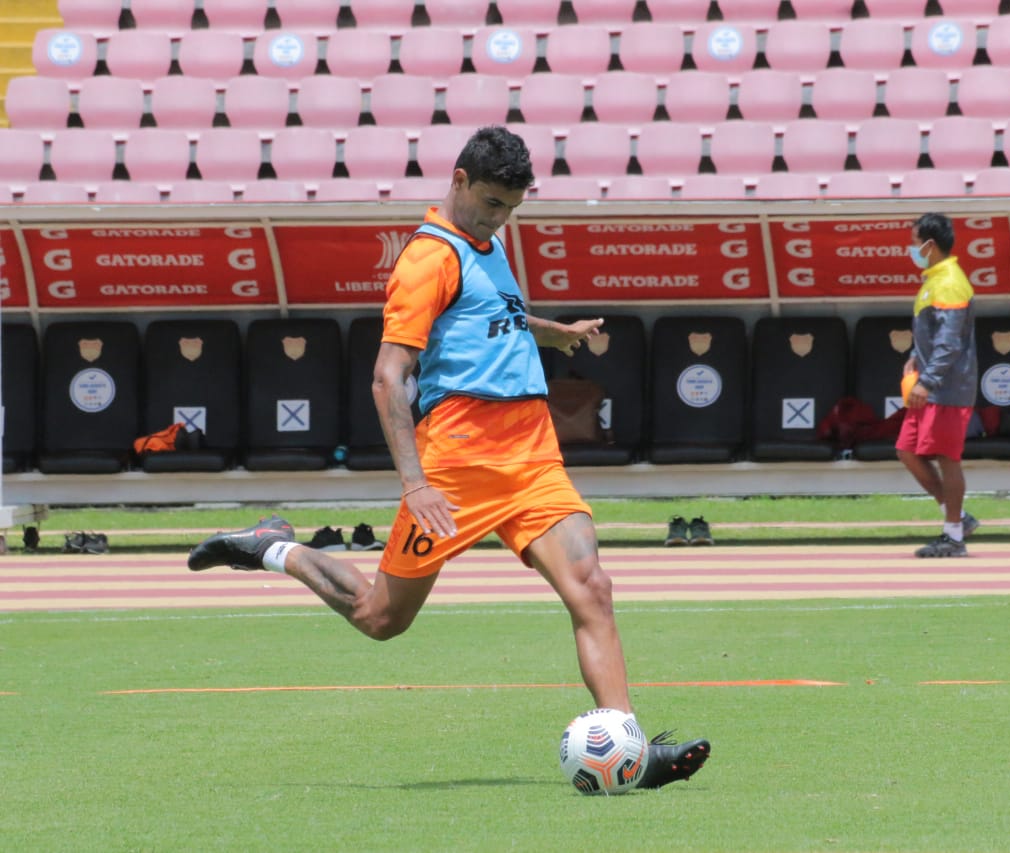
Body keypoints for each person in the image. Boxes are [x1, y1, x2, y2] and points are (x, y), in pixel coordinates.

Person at [188, 126, 709, 788]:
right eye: (493, 203)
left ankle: (629, 752)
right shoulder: (427, 259)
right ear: (459, 182)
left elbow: (495, 315)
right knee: (382, 618)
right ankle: (272, 547)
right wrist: (414, 485)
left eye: (513, 207)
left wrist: (557, 333)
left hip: (530, 454)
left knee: (593, 588)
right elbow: (387, 375)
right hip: (457, 461)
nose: (502, 217)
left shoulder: (487, 242)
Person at [895, 212, 980, 558]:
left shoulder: (949, 282)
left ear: (930, 245)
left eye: (915, 242)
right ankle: (958, 516)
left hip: (946, 387)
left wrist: (926, 382)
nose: (911, 248)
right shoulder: (934, 279)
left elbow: (950, 343)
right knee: (907, 450)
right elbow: (933, 335)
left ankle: (954, 537)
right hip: (931, 385)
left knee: (948, 458)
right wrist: (916, 355)